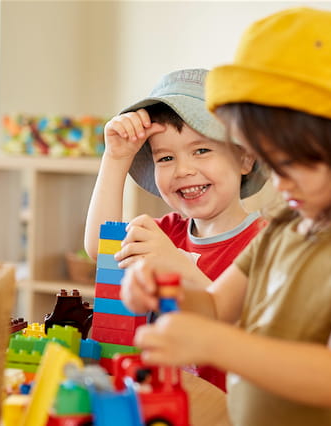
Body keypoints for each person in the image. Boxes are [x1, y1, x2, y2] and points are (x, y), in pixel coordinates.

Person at [121, 8, 331, 426]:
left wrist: (215, 345)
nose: (279, 182)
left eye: (289, 162)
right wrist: (167, 291)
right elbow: (215, 306)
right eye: (268, 160)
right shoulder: (288, 224)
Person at [84, 68, 268, 391]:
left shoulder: (266, 242)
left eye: (201, 150)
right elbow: (102, 250)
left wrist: (181, 267)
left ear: (245, 159)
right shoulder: (166, 233)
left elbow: (261, 335)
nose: (183, 170)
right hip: (166, 399)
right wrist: (116, 158)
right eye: (166, 157)